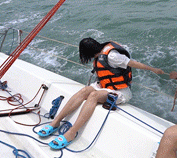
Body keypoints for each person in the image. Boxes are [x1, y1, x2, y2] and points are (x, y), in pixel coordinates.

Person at [37, 37, 165, 149]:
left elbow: (133, 63)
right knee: (84, 91)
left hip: (120, 91)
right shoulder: (101, 51)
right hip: (104, 86)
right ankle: (56, 122)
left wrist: (154, 69)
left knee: (93, 96)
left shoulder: (112, 56)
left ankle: (72, 132)